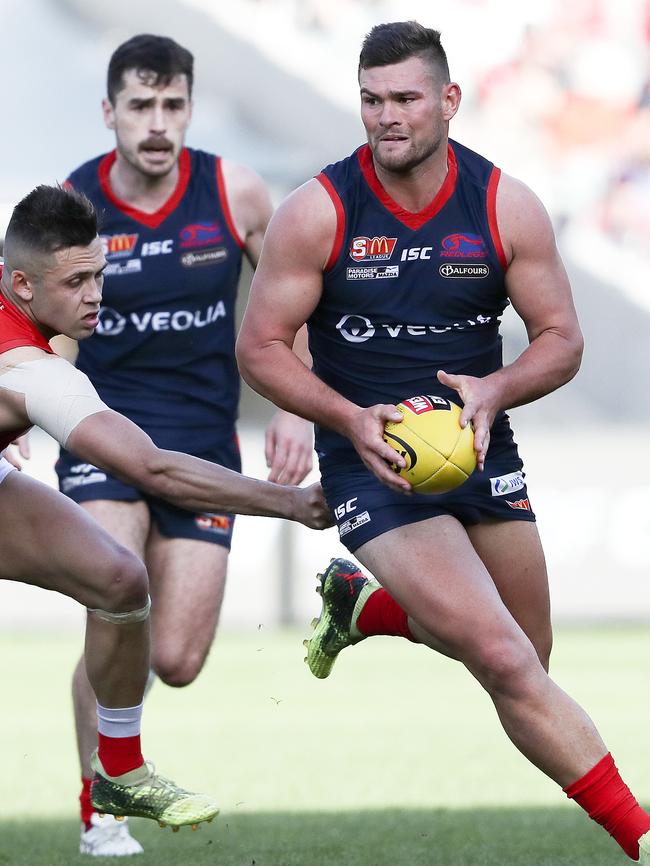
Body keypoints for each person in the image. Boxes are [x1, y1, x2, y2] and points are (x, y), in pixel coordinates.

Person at [236, 21, 650, 863]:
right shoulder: (318, 210)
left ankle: (367, 606)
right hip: (371, 460)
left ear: (450, 100)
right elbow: (260, 347)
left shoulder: (505, 205)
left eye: (404, 98)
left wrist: (497, 389)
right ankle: (639, 834)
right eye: (371, 99)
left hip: (478, 444)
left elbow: (563, 338)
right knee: (501, 655)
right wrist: (348, 419)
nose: (385, 116)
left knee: (527, 653)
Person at [49, 34, 314, 856]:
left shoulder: (234, 191)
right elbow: (47, 330)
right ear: (110, 114)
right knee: (115, 591)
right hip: (104, 432)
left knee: (178, 656)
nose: (157, 125)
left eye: (172, 107)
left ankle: (121, 729)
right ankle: (102, 807)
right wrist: (24, 416)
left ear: (190, 111)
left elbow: (289, 302)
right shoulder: (73, 202)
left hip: (202, 442)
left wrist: (295, 408)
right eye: (140, 107)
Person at [0, 184, 330, 842]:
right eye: (76, 282)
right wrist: (291, 502)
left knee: (120, 580)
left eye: (99, 275)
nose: (96, 295)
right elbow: (151, 467)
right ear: (21, 284)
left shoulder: (29, 349)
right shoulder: (36, 372)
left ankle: (118, 769)